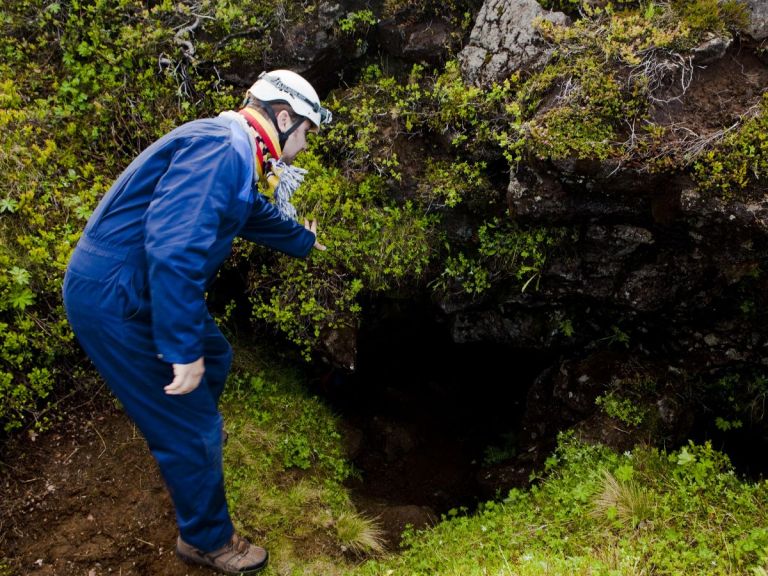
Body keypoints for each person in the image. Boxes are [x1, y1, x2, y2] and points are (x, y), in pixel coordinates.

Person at [62, 70, 332, 575]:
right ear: (282, 116)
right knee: (192, 424)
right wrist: (180, 348)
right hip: (116, 296)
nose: (304, 146)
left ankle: (193, 443)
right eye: (306, 133)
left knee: (217, 357)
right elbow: (173, 249)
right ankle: (206, 539)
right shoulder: (221, 151)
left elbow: (246, 211)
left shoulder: (230, 146)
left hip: (132, 283)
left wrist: (302, 241)